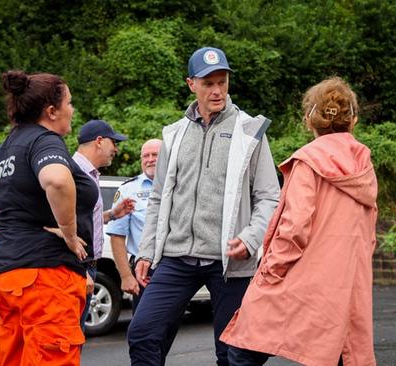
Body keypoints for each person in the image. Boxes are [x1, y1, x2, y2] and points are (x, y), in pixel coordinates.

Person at [127, 46, 280, 365]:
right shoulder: (174, 134)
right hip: (176, 256)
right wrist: (146, 251)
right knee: (142, 333)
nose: (217, 90)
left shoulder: (250, 131)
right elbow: (158, 198)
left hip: (230, 261)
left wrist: (251, 238)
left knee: (233, 354)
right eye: (208, 83)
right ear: (191, 84)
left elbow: (268, 196)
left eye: (222, 82)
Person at [221, 76, 378, 366]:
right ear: (353, 120)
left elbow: (294, 228)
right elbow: (368, 233)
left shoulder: (308, 161)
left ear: (309, 119)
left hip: (302, 276)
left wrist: (270, 269)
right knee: (340, 350)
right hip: (346, 281)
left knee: (244, 349)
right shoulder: (364, 166)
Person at [0, 70, 99, 366]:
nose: (72, 109)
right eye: (69, 103)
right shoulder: (45, 141)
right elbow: (57, 180)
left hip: (7, 274)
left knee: (15, 358)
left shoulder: (8, 146)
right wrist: (69, 235)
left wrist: (26, 224)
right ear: (51, 111)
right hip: (43, 279)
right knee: (52, 358)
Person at [69, 119, 134, 333]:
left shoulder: (89, 173)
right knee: (68, 337)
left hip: (87, 266)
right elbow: (56, 225)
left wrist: (112, 215)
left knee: (75, 336)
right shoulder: (71, 172)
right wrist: (79, 271)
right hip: (76, 268)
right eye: (113, 142)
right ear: (99, 141)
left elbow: (80, 219)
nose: (115, 148)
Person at [106, 138, 162, 310]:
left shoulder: (180, 185)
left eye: (155, 155)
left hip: (178, 266)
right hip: (145, 269)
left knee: (171, 325)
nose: (150, 159)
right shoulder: (128, 189)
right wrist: (125, 276)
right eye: (146, 156)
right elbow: (117, 235)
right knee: (144, 325)